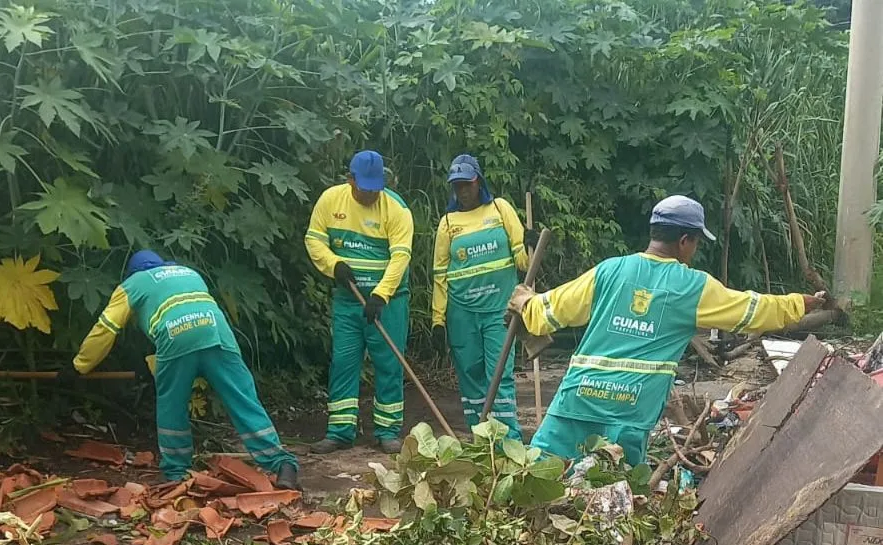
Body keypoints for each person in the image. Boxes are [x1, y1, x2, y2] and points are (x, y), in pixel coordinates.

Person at [507, 195, 829, 466]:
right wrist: (800, 303)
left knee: (536, 482)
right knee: (612, 505)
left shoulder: (609, 270)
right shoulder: (691, 287)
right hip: (628, 413)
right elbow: (752, 310)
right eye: (696, 242)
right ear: (684, 241)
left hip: (575, 402)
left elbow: (548, 312)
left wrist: (526, 302)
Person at [61, 251, 301, 489]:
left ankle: (177, 473)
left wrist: (79, 366)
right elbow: (190, 319)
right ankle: (282, 464)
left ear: (133, 272)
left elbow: (106, 328)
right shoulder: (189, 273)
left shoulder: (132, 284)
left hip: (175, 337)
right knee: (243, 400)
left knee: (172, 406)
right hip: (218, 334)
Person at [305, 150, 414, 454]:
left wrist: (381, 293)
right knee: (343, 362)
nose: (370, 194)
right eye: (364, 188)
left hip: (387, 303)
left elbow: (401, 256)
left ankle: (388, 431)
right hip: (348, 300)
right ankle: (340, 431)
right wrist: (333, 264)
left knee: (389, 363)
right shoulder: (330, 201)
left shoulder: (396, 209)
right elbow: (314, 239)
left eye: (375, 188)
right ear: (350, 179)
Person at [431, 154, 533, 440]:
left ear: (479, 182)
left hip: (498, 310)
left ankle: (507, 441)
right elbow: (440, 273)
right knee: (470, 375)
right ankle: (480, 439)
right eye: (457, 186)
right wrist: (438, 319)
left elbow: (522, 262)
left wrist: (529, 243)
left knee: (499, 374)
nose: (462, 191)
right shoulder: (448, 222)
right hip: (461, 313)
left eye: (467, 184)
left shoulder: (500, 210)